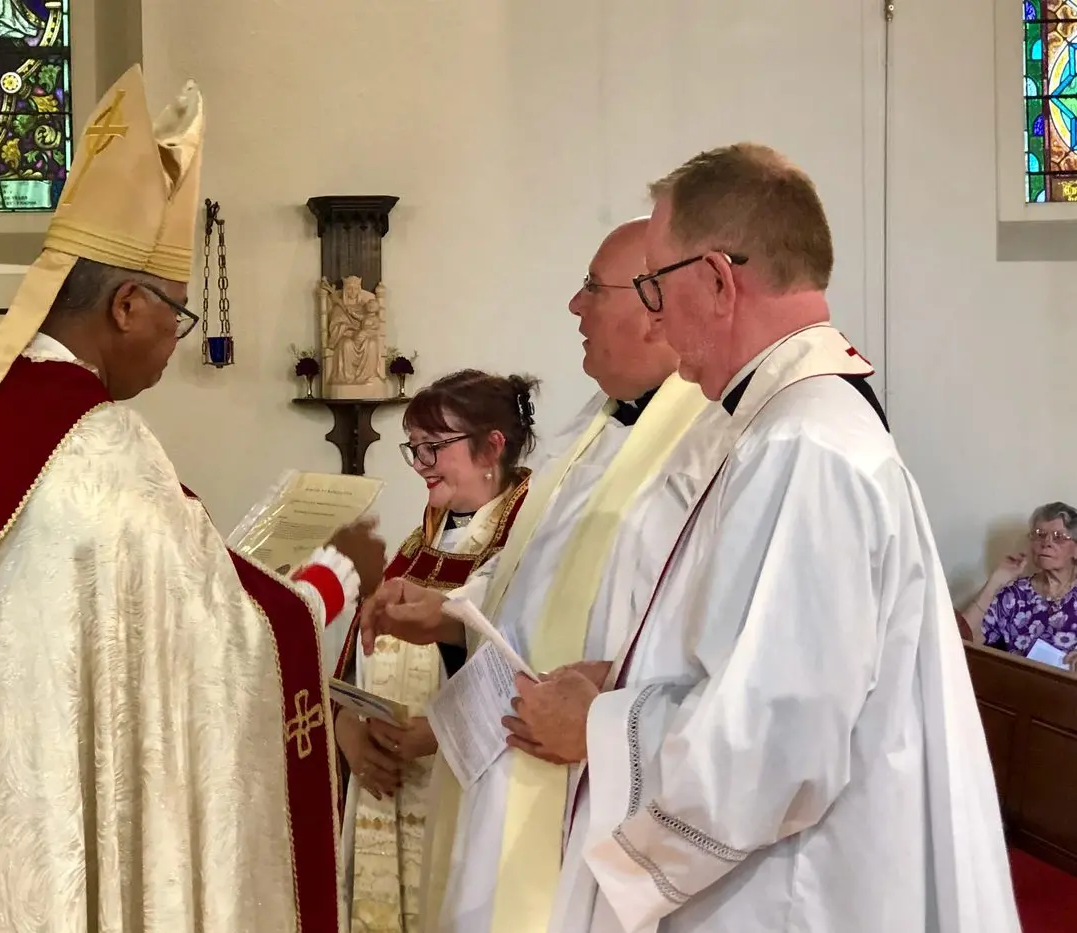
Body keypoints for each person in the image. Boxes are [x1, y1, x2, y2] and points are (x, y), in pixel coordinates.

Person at [0, 65, 385, 933]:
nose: (175, 339)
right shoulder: (93, 444)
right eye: (177, 314)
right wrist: (332, 580)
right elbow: (219, 651)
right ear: (128, 304)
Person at [506, 143, 1018, 932]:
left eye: (655, 285)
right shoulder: (788, 424)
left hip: (794, 895)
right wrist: (633, 677)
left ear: (716, 280)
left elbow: (771, 747)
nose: (654, 316)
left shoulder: (802, 447)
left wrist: (602, 728)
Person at [360, 218, 711, 933]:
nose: (574, 307)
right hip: (515, 767)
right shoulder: (597, 424)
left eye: (592, 287)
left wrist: (607, 725)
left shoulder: (702, 444)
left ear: (654, 308)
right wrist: (446, 611)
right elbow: (538, 579)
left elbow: (689, 638)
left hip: (596, 787)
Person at [334, 369, 538, 933]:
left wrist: (442, 731)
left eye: (434, 447)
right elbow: (354, 660)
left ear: (491, 446)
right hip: (383, 789)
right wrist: (347, 729)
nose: (421, 464)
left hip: (466, 787)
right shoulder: (416, 547)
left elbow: (531, 661)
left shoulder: (530, 539)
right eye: (414, 448)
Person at [962, 501, 1077, 667]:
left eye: (1059, 537)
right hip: (1016, 686)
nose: (1046, 543)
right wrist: (996, 581)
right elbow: (963, 638)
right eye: (1039, 534)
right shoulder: (1014, 595)